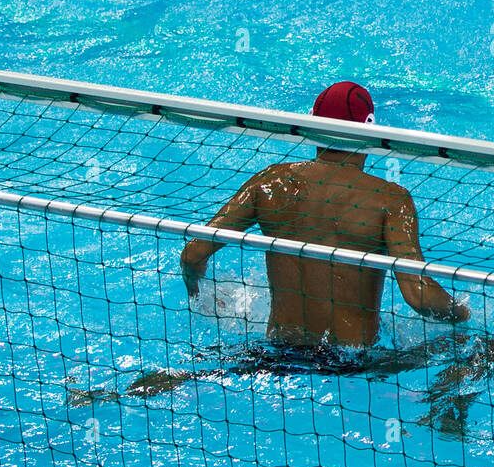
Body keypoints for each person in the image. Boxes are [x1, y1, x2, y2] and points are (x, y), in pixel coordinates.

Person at [180, 81, 467, 345]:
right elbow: (418, 295)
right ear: (369, 129)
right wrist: (465, 315)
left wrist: (198, 296)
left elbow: (193, 254)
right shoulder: (391, 200)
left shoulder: (269, 182)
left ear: (311, 125)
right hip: (354, 364)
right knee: (488, 349)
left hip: (279, 353)